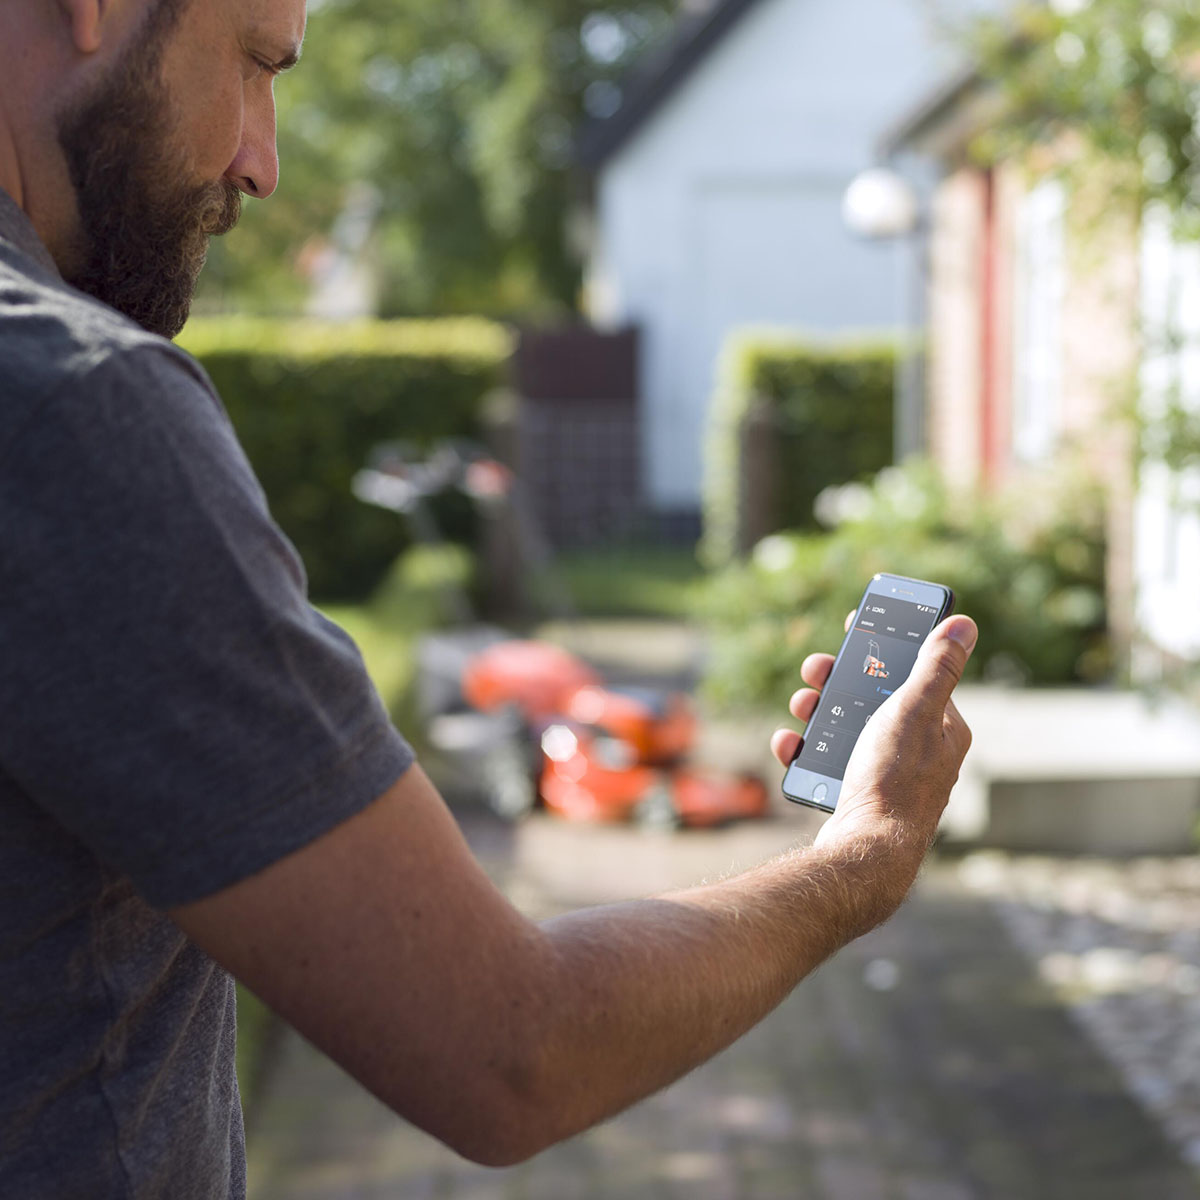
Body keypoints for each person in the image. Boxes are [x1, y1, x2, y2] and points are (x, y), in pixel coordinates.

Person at [0, 0, 977, 1195]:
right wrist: (863, 857)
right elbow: (515, 1051)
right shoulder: (70, 411)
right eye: (255, 63)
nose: (261, 159)